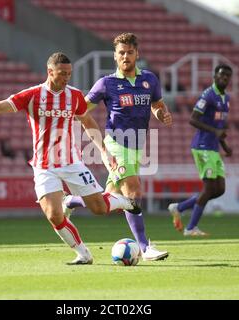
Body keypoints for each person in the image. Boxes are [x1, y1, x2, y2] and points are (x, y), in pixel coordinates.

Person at [0, 52, 139, 265]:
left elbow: (88, 122)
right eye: (62, 73)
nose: (66, 78)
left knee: (100, 209)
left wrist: (102, 149)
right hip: (44, 166)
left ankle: (125, 202)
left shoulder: (74, 96)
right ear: (50, 72)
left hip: (72, 162)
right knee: (54, 215)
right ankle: (83, 254)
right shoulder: (33, 95)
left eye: (69, 74)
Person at [62, 33, 171, 261]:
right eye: (121, 53)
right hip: (115, 145)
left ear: (136, 54)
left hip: (137, 146)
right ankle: (145, 247)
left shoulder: (149, 79)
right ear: (115, 56)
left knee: (105, 201)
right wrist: (64, 119)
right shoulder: (106, 83)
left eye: (129, 52)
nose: (125, 56)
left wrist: (161, 113)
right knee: (133, 192)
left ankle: (71, 201)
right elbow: (82, 109)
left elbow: (157, 105)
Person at [168, 64, 233, 236]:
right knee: (209, 188)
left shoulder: (226, 99)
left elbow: (219, 126)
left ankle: (179, 207)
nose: (225, 78)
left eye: (227, 76)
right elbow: (193, 119)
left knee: (219, 189)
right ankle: (190, 228)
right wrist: (215, 132)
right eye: (222, 75)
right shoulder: (208, 95)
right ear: (214, 77)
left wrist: (225, 146)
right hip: (202, 146)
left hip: (214, 148)